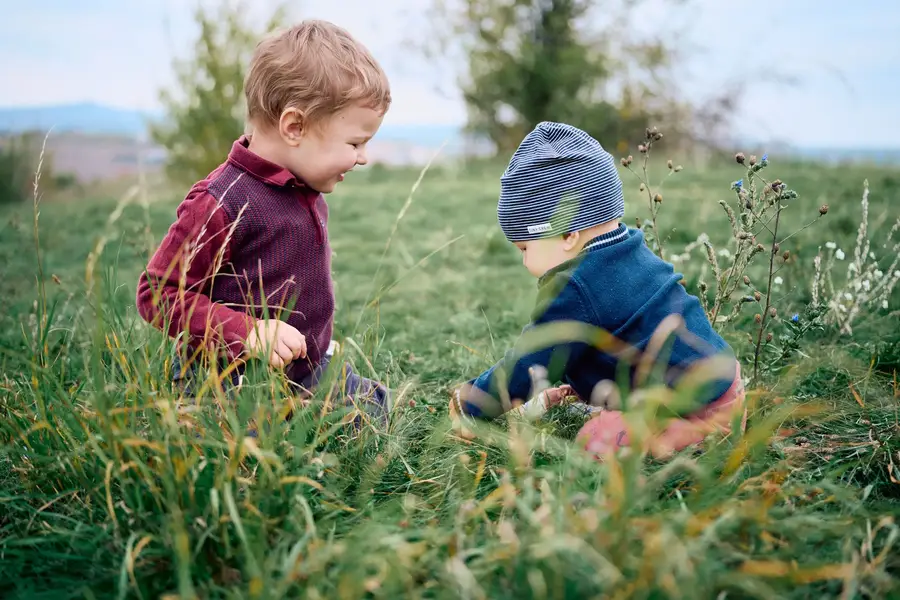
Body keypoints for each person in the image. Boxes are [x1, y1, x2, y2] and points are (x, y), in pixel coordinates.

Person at [136, 19, 391, 424]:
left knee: (375, 406)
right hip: (226, 378)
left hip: (301, 369)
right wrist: (249, 332)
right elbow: (158, 293)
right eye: (355, 143)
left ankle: (312, 401)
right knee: (289, 437)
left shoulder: (303, 183)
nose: (362, 157)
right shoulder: (221, 201)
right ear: (295, 127)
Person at [449, 121, 746, 458]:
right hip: (723, 382)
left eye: (524, 248)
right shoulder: (628, 248)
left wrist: (472, 401)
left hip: (698, 410)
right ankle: (617, 406)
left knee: (595, 439)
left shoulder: (577, 285)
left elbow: (532, 360)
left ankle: (694, 437)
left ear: (566, 234)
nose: (524, 262)